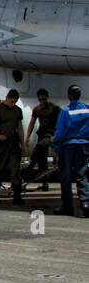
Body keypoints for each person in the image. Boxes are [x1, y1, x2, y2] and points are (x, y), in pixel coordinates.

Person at [51, 85, 89, 218]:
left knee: (66, 177)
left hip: (67, 147)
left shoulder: (65, 111)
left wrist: (55, 145)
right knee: (82, 175)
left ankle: (67, 206)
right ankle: (86, 204)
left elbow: (59, 132)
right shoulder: (87, 109)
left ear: (70, 96)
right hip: (84, 145)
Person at [0, 89, 26, 206]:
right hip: (1, 144)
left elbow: (19, 128)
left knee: (15, 170)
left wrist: (23, 143)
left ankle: (17, 195)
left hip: (13, 143)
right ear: (7, 98)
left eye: (15, 102)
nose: (12, 104)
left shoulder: (17, 111)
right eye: (11, 101)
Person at [25, 88, 61, 192]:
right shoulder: (37, 109)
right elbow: (32, 123)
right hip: (42, 134)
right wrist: (27, 137)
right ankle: (45, 184)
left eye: (44, 99)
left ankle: (29, 168)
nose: (42, 101)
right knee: (42, 160)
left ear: (47, 97)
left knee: (39, 147)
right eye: (40, 100)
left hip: (51, 134)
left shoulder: (54, 108)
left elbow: (60, 122)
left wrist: (57, 135)